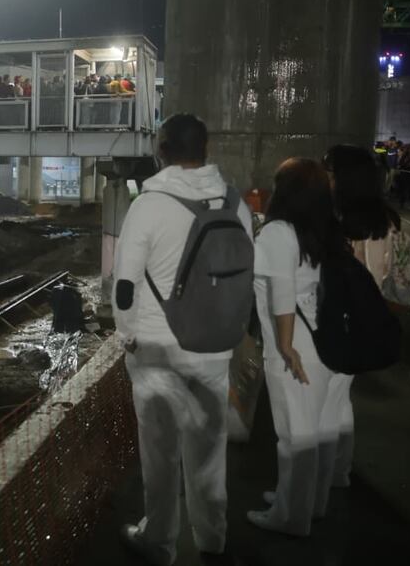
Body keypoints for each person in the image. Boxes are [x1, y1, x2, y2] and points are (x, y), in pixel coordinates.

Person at [114, 114, 253, 564]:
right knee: (209, 453)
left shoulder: (148, 206)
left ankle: (160, 540)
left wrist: (127, 335)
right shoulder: (237, 205)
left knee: (160, 455)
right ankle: (213, 539)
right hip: (215, 348)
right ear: (206, 147)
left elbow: (124, 285)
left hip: (158, 350)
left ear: (161, 148)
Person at [249, 158, 347, 537]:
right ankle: (306, 503)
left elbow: (283, 295)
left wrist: (286, 348)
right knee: (313, 430)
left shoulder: (277, 233)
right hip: (319, 337)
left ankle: (290, 519)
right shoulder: (319, 229)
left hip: (293, 345)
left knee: (294, 435)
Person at [322, 145, 410, 490]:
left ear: (344, 180)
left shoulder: (334, 224)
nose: (326, 179)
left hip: (329, 323)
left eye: (330, 173)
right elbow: (404, 290)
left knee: (320, 404)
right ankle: (338, 472)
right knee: (339, 398)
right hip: (364, 323)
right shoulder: (392, 225)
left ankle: (315, 482)